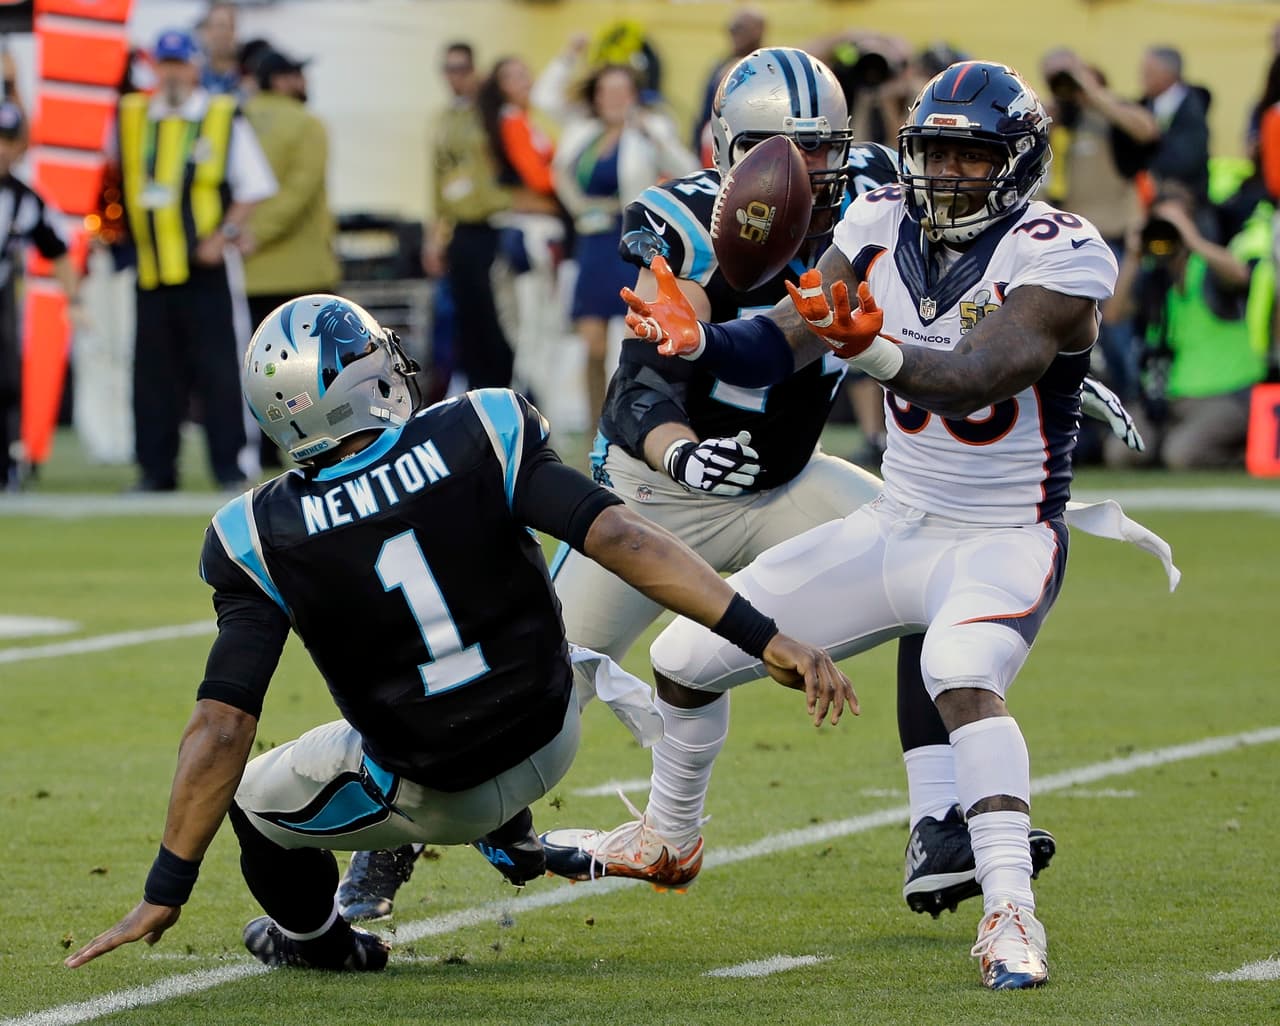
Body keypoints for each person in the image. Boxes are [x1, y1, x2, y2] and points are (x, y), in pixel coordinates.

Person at [338, 48, 1142, 926]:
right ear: (728, 147)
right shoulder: (678, 221)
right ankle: (390, 846)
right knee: (531, 673)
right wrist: (682, 447)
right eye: (772, 149)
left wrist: (1049, 378)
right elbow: (642, 383)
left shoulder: (888, 192)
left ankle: (939, 826)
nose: (799, 172)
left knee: (933, 566)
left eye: (820, 148)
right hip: (658, 499)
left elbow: (971, 320)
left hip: (786, 483)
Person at [62, 293, 853, 974]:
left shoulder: (259, 532)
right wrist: (765, 636)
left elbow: (223, 723)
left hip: (434, 791)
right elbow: (624, 539)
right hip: (551, 738)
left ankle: (324, 944)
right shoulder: (480, 429)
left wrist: (165, 889)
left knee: (254, 803)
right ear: (357, 379)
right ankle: (512, 838)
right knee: (492, 662)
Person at [610, 60, 1178, 990]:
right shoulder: (876, 224)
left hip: (1004, 536)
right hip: (896, 524)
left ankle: (1010, 913)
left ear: (1017, 162)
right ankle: (667, 840)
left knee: (959, 673)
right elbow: (791, 340)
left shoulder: (1060, 251)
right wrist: (697, 339)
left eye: (969, 156)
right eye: (934, 152)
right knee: (681, 659)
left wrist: (868, 345)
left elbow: (979, 375)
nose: (946, 174)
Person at [116, 28, 276, 492]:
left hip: (205, 270)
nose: (170, 74)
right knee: (152, 375)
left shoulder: (220, 117)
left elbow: (255, 186)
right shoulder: (133, 116)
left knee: (219, 369)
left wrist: (224, 234)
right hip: (151, 267)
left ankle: (230, 465)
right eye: (163, 64)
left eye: (179, 64)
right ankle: (155, 470)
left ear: (194, 67)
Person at [550, 61, 699, 423]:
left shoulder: (649, 129)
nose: (614, 99)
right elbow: (559, 170)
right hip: (592, 238)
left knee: (636, 336)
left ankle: (636, 416)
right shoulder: (582, 131)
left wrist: (654, 136)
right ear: (596, 96)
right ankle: (595, 422)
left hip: (631, 239)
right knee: (592, 340)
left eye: (622, 91)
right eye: (606, 91)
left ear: (634, 95)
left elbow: (689, 169)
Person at [1103, 182, 1271, 469]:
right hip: (1166, 399)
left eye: (1173, 226)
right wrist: (1133, 256)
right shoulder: (1155, 279)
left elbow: (1240, 275)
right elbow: (1113, 315)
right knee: (1120, 452)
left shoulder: (1209, 270)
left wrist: (1192, 239)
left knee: (1181, 454)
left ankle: (1244, 456)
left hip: (1225, 396)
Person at [241, 48, 340, 467]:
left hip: (247, 272)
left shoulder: (235, 120)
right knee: (316, 375)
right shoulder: (308, 124)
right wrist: (259, 232)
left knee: (258, 375)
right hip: (302, 274)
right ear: (281, 80)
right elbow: (299, 192)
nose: (303, 81)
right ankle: (325, 447)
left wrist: (239, 235)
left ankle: (263, 453)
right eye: (297, 74)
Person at [423, 42, 514, 392]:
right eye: (449, 69)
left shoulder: (490, 113)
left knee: (497, 319)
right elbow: (436, 183)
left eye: (462, 68)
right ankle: (479, 396)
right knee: (467, 320)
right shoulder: (444, 121)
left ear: (475, 69)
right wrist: (434, 237)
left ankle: (506, 391)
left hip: (494, 224)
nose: (455, 76)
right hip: (461, 228)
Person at [0, 101, 81, 491]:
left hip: (1, 298)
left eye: (7, 140)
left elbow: (57, 250)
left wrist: (74, 301)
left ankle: (8, 465)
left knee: (6, 380)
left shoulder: (24, 199)